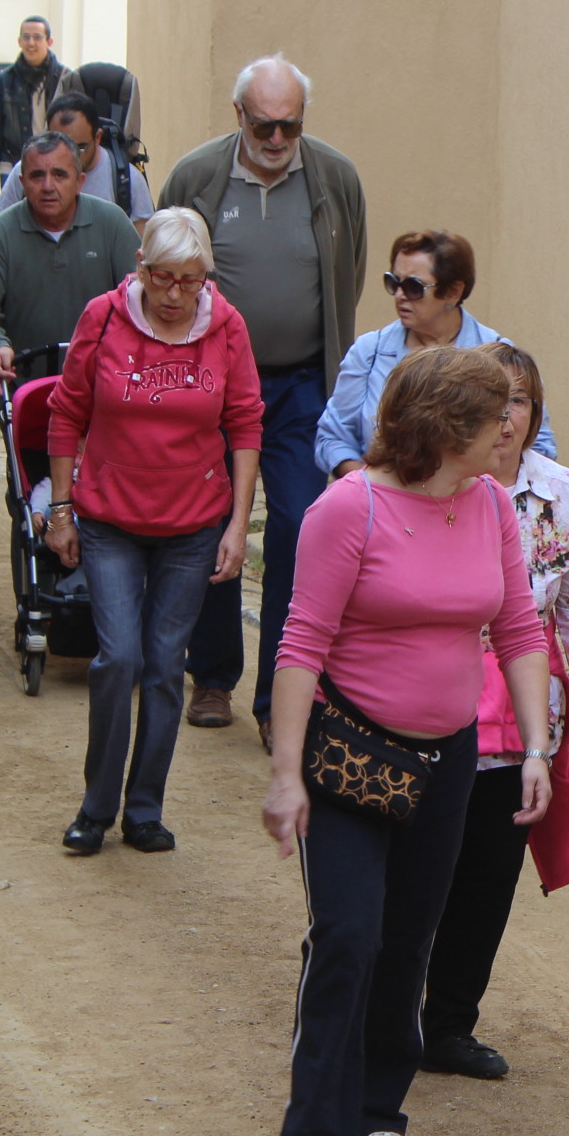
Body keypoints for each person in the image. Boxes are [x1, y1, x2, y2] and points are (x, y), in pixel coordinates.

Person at [260, 346, 552, 1136]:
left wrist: (535, 749)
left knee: (409, 936)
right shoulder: (348, 508)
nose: (511, 429)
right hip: (351, 751)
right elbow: (300, 644)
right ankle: (317, 1132)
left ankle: (380, 1111)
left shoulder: (489, 504)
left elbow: (520, 630)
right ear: (448, 429)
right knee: (348, 932)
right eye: (495, 417)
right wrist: (286, 774)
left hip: (448, 758)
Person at [420, 340, 569, 1082]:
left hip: (521, 705)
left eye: (519, 401)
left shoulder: (562, 492)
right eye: (490, 400)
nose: (504, 417)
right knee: (419, 867)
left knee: (489, 869)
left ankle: (448, 1024)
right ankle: (380, 1011)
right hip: (429, 694)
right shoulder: (428, 481)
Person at [160, 54, 367, 747]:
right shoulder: (197, 176)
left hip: (302, 383)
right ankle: (213, 673)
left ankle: (282, 693)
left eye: (290, 126)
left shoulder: (335, 178)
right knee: (209, 519)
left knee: (300, 528)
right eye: (264, 125)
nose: (277, 139)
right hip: (212, 384)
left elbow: (348, 273)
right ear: (239, 116)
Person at [43, 209, 264, 855]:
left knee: (167, 666)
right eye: (163, 277)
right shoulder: (104, 318)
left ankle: (144, 808)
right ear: (140, 268)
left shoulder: (227, 326)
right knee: (119, 659)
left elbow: (245, 423)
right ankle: (96, 807)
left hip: (192, 525)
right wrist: (61, 510)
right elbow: (67, 412)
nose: (174, 294)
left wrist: (237, 524)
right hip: (110, 519)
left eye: (190, 281)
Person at [315, 229, 558, 478]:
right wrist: (373, 488)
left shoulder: (499, 358)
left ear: (453, 292)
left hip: (477, 498)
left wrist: (481, 492)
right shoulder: (369, 352)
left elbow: (539, 444)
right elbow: (333, 438)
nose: (400, 295)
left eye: (413, 287)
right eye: (394, 282)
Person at [0, 132, 138, 385]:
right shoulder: (0, 234)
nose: (47, 186)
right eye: (37, 175)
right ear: (22, 182)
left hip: (103, 383)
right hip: (23, 383)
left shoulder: (113, 224)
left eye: (59, 175)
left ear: (79, 181)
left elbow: (139, 296)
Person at [0, 91, 153, 229]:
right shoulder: (27, 170)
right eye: (58, 145)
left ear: (97, 138)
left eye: (79, 148)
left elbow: (139, 247)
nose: (69, 156)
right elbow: (4, 233)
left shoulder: (127, 180)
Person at [0, 15, 70, 180]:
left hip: (56, 162)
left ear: (49, 42)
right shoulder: (5, 80)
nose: (31, 43)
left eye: (37, 37)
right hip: (14, 163)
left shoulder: (65, 78)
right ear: (19, 41)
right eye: (26, 37)